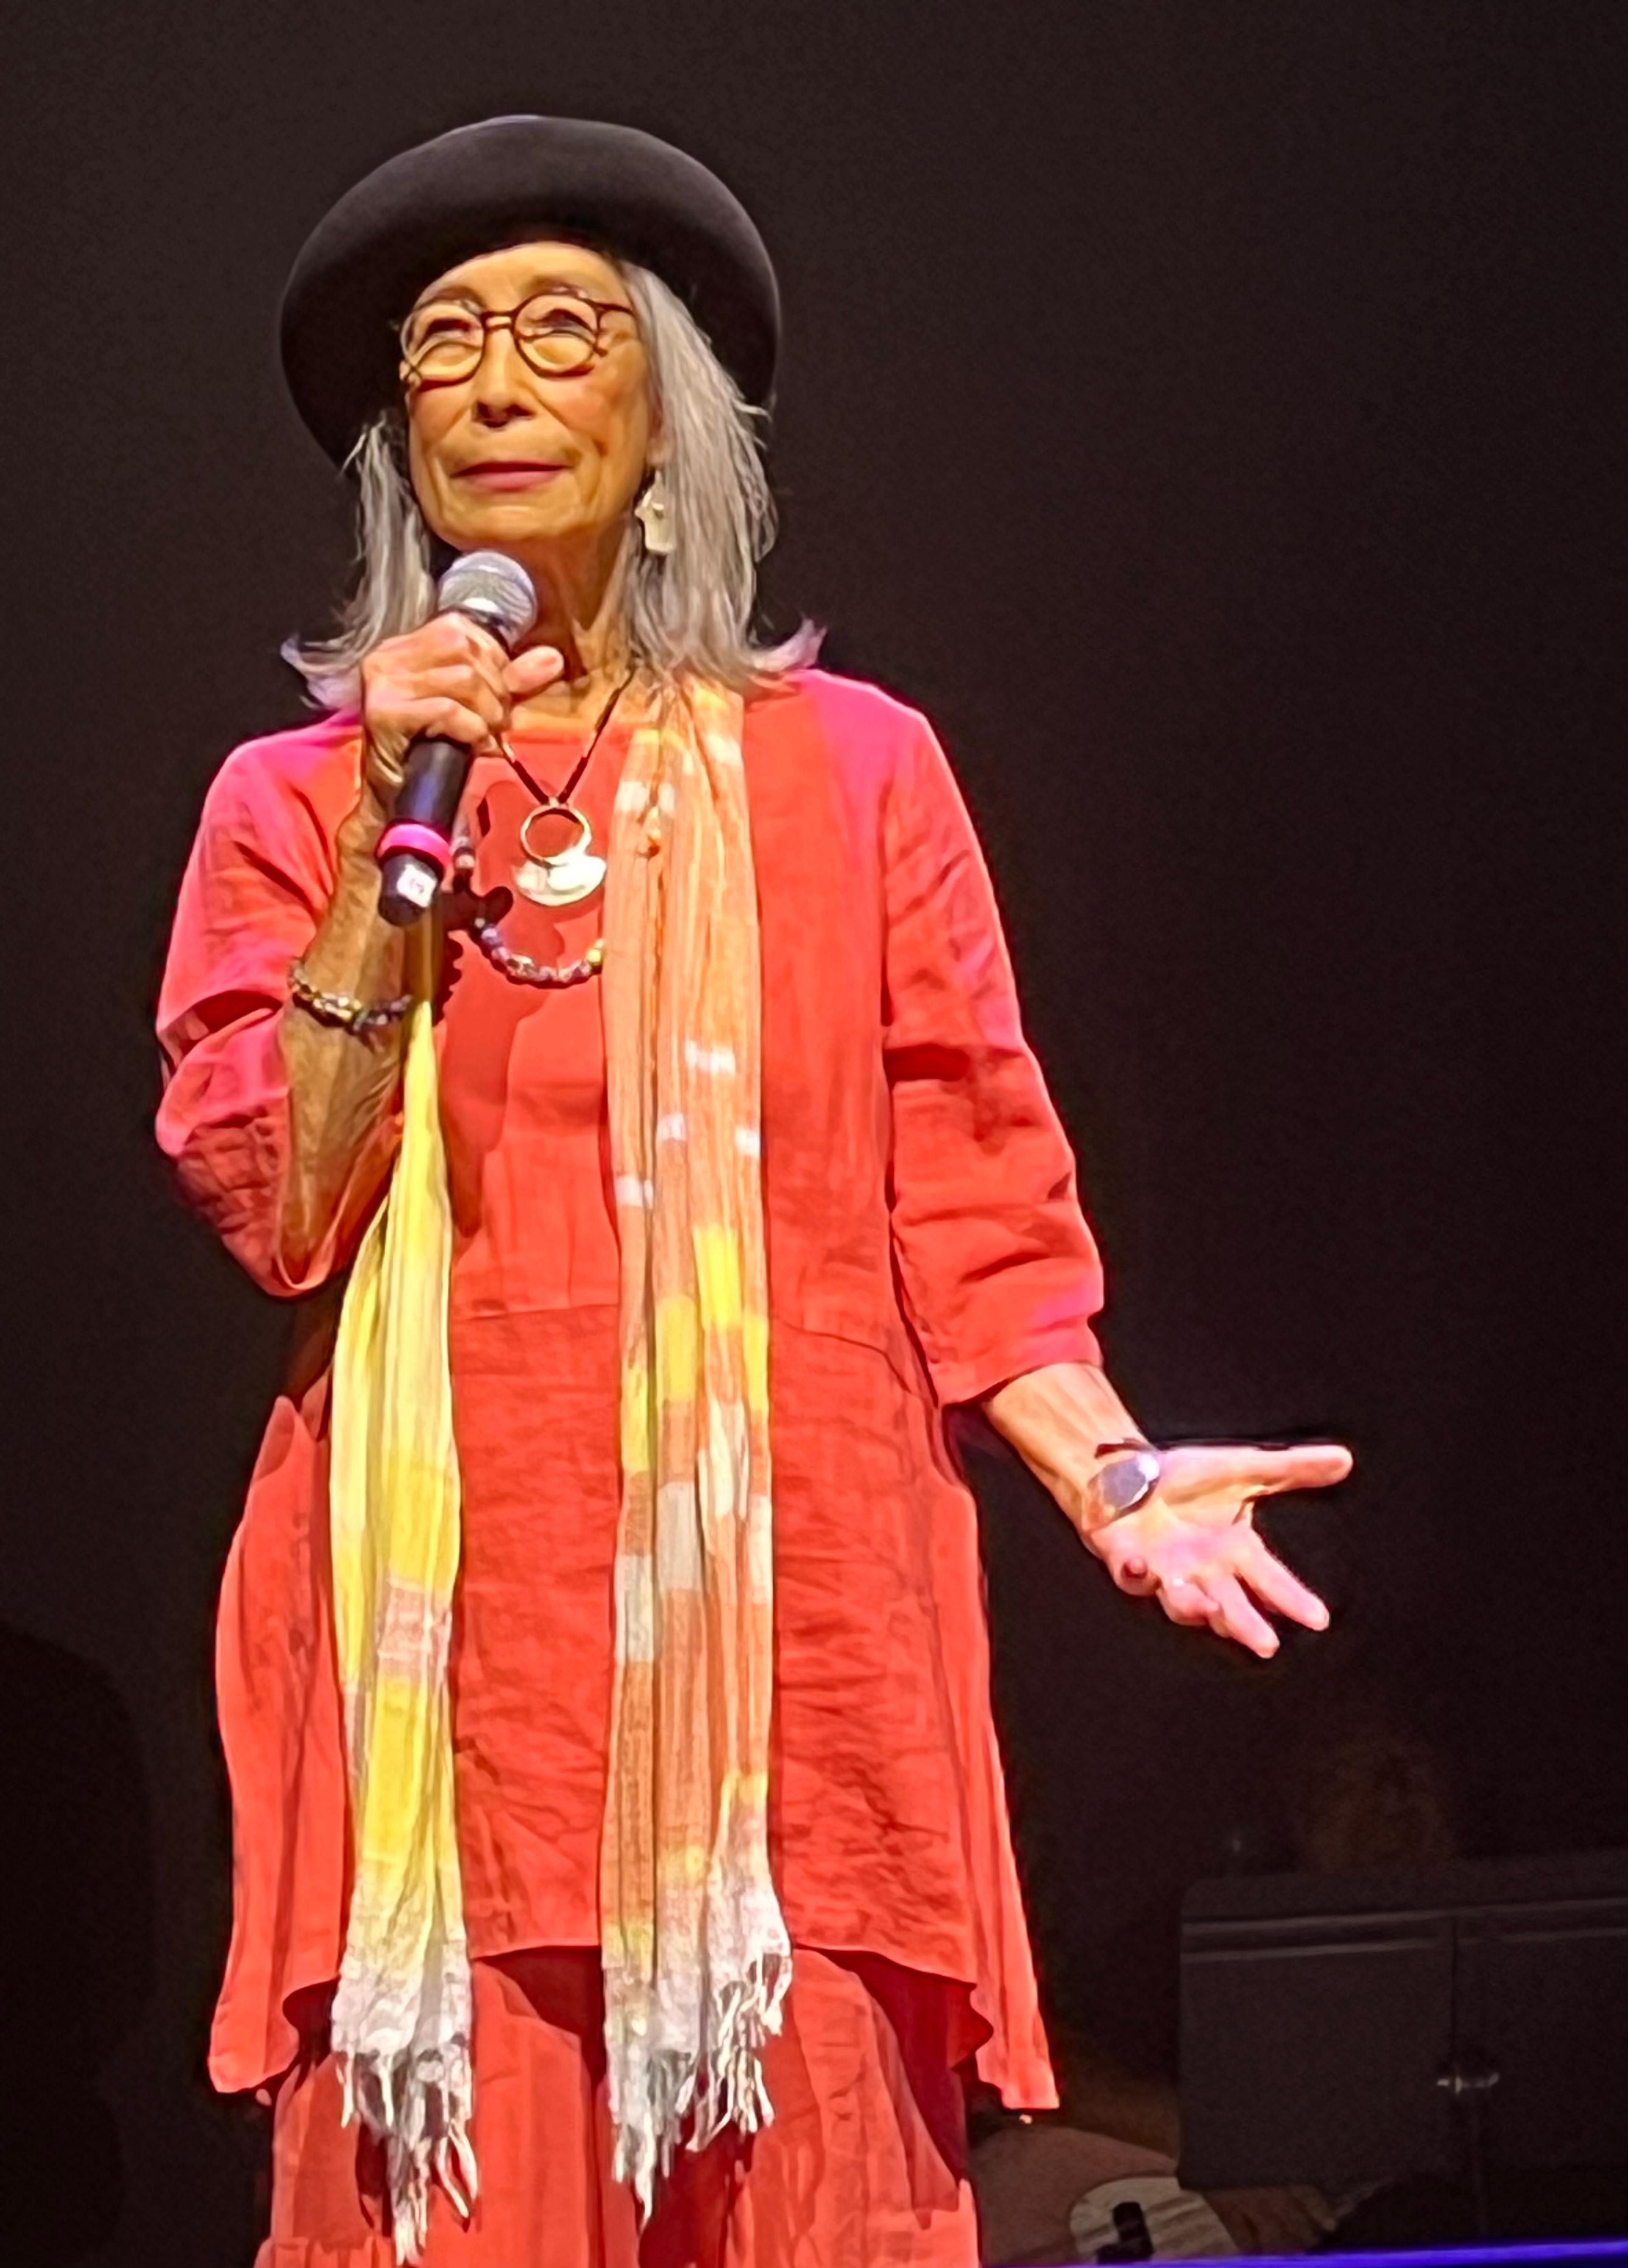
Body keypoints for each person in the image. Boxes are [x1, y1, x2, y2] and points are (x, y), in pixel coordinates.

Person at [156, 115, 1352, 2268]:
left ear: (666, 413)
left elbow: (979, 1213)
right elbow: (282, 1207)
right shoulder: (299, 804)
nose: (497, 382)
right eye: (445, 344)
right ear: (396, 438)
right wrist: (376, 857)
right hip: (445, 1738)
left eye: (560, 330)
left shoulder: (859, 773)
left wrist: (1122, 1473)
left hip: (799, 1738)